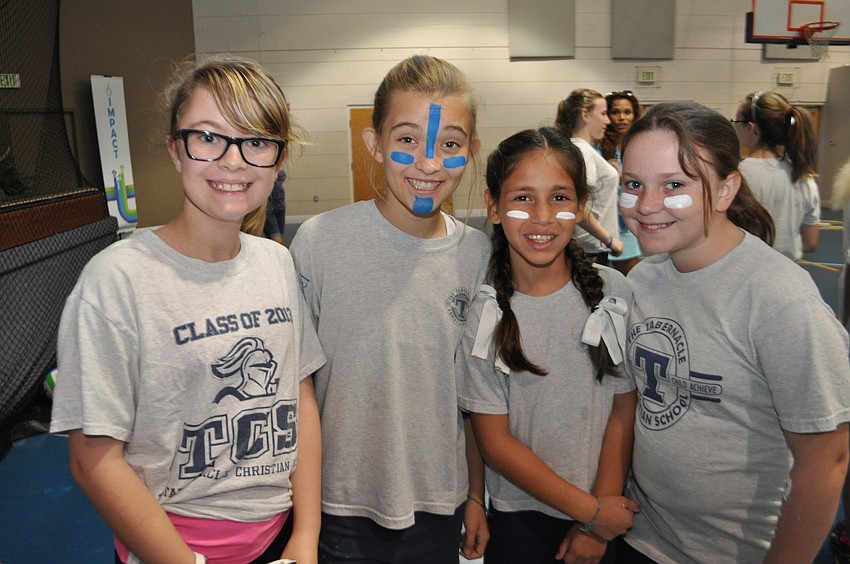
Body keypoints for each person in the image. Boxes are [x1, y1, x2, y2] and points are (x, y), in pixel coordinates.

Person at [49, 57, 326, 564]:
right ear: (175, 149)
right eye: (209, 137)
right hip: (173, 547)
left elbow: (299, 397)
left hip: (278, 538)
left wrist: (306, 537)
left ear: (279, 159)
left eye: (256, 141)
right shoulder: (118, 279)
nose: (233, 161)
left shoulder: (277, 262)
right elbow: (93, 460)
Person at [617, 101, 850, 563]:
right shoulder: (642, 279)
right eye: (633, 184)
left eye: (675, 185)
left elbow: (826, 460)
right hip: (645, 538)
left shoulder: (779, 300)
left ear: (725, 190)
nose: (646, 205)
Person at [289, 55, 490, 563]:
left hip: (438, 501)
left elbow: (476, 394)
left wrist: (474, 494)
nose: (429, 164)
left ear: (472, 149)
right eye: (407, 140)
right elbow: (295, 388)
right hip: (339, 504)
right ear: (374, 144)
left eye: (449, 145)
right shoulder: (320, 242)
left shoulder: (477, 255)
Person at [456, 127, 639, 564]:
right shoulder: (485, 311)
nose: (542, 216)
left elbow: (622, 407)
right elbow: (494, 440)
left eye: (559, 198)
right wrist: (590, 512)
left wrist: (598, 517)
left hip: (606, 510)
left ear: (581, 205)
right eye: (523, 198)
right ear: (493, 207)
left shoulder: (613, 292)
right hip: (520, 519)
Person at [734, 90, 820, 260]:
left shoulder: (735, 177)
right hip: (788, 270)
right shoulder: (804, 178)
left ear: (751, 128)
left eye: (736, 122)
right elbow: (810, 242)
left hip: (745, 268)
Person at [555, 89, 623, 266]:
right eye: (603, 114)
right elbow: (578, 204)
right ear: (585, 115)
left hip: (589, 246)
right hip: (589, 248)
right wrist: (609, 240)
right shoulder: (582, 151)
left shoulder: (578, 148)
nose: (608, 121)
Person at [599, 90, 643, 274]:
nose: (621, 118)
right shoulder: (597, 147)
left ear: (635, 115)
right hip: (601, 223)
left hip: (627, 223)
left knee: (631, 278)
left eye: (627, 112)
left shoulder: (641, 146)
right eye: (615, 112)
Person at [264, 169, 287, 244]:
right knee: (277, 240)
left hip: (280, 207)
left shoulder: (278, 170)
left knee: (279, 238)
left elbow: (282, 175)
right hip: (268, 210)